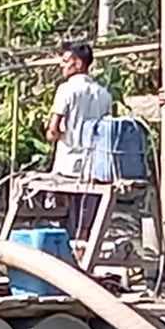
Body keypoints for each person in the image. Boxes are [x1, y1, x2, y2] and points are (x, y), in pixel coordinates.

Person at [45, 38, 113, 238]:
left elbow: (53, 130)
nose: (61, 65)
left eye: (66, 61)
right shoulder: (104, 94)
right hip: (93, 168)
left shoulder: (66, 89)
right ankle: (84, 245)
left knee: (61, 217)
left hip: (67, 166)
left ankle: (62, 248)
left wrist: (53, 134)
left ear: (78, 63)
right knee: (86, 221)